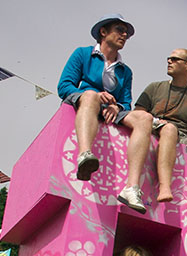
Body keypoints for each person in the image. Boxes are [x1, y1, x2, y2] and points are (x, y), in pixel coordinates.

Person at [57, 14, 153, 210]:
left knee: (145, 117)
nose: (124, 35)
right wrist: (94, 95)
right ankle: (84, 154)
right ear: (103, 32)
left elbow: (126, 102)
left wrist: (116, 107)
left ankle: (132, 188)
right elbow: (64, 86)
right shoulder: (82, 54)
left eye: (126, 33)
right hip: (84, 100)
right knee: (91, 95)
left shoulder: (126, 71)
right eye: (120, 30)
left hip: (110, 110)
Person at [134, 49, 187, 218]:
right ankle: (165, 187)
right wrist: (156, 122)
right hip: (157, 127)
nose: (169, 61)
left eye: (174, 59)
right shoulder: (155, 87)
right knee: (169, 129)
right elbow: (138, 113)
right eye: (169, 58)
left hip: (184, 135)